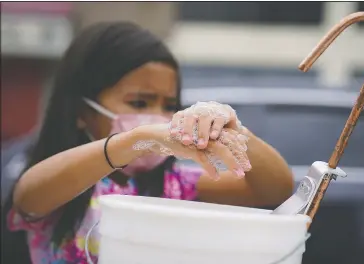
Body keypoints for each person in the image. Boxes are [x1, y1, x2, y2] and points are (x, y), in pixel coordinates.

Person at [5, 22, 294, 263]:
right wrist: (136, 140)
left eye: (169, 104)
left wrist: (234, 131)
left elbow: (275, 189)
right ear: (82, 113)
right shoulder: (63, 182)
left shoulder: (172, 186)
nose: (156, 116)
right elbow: (28, 197)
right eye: (139, 102)